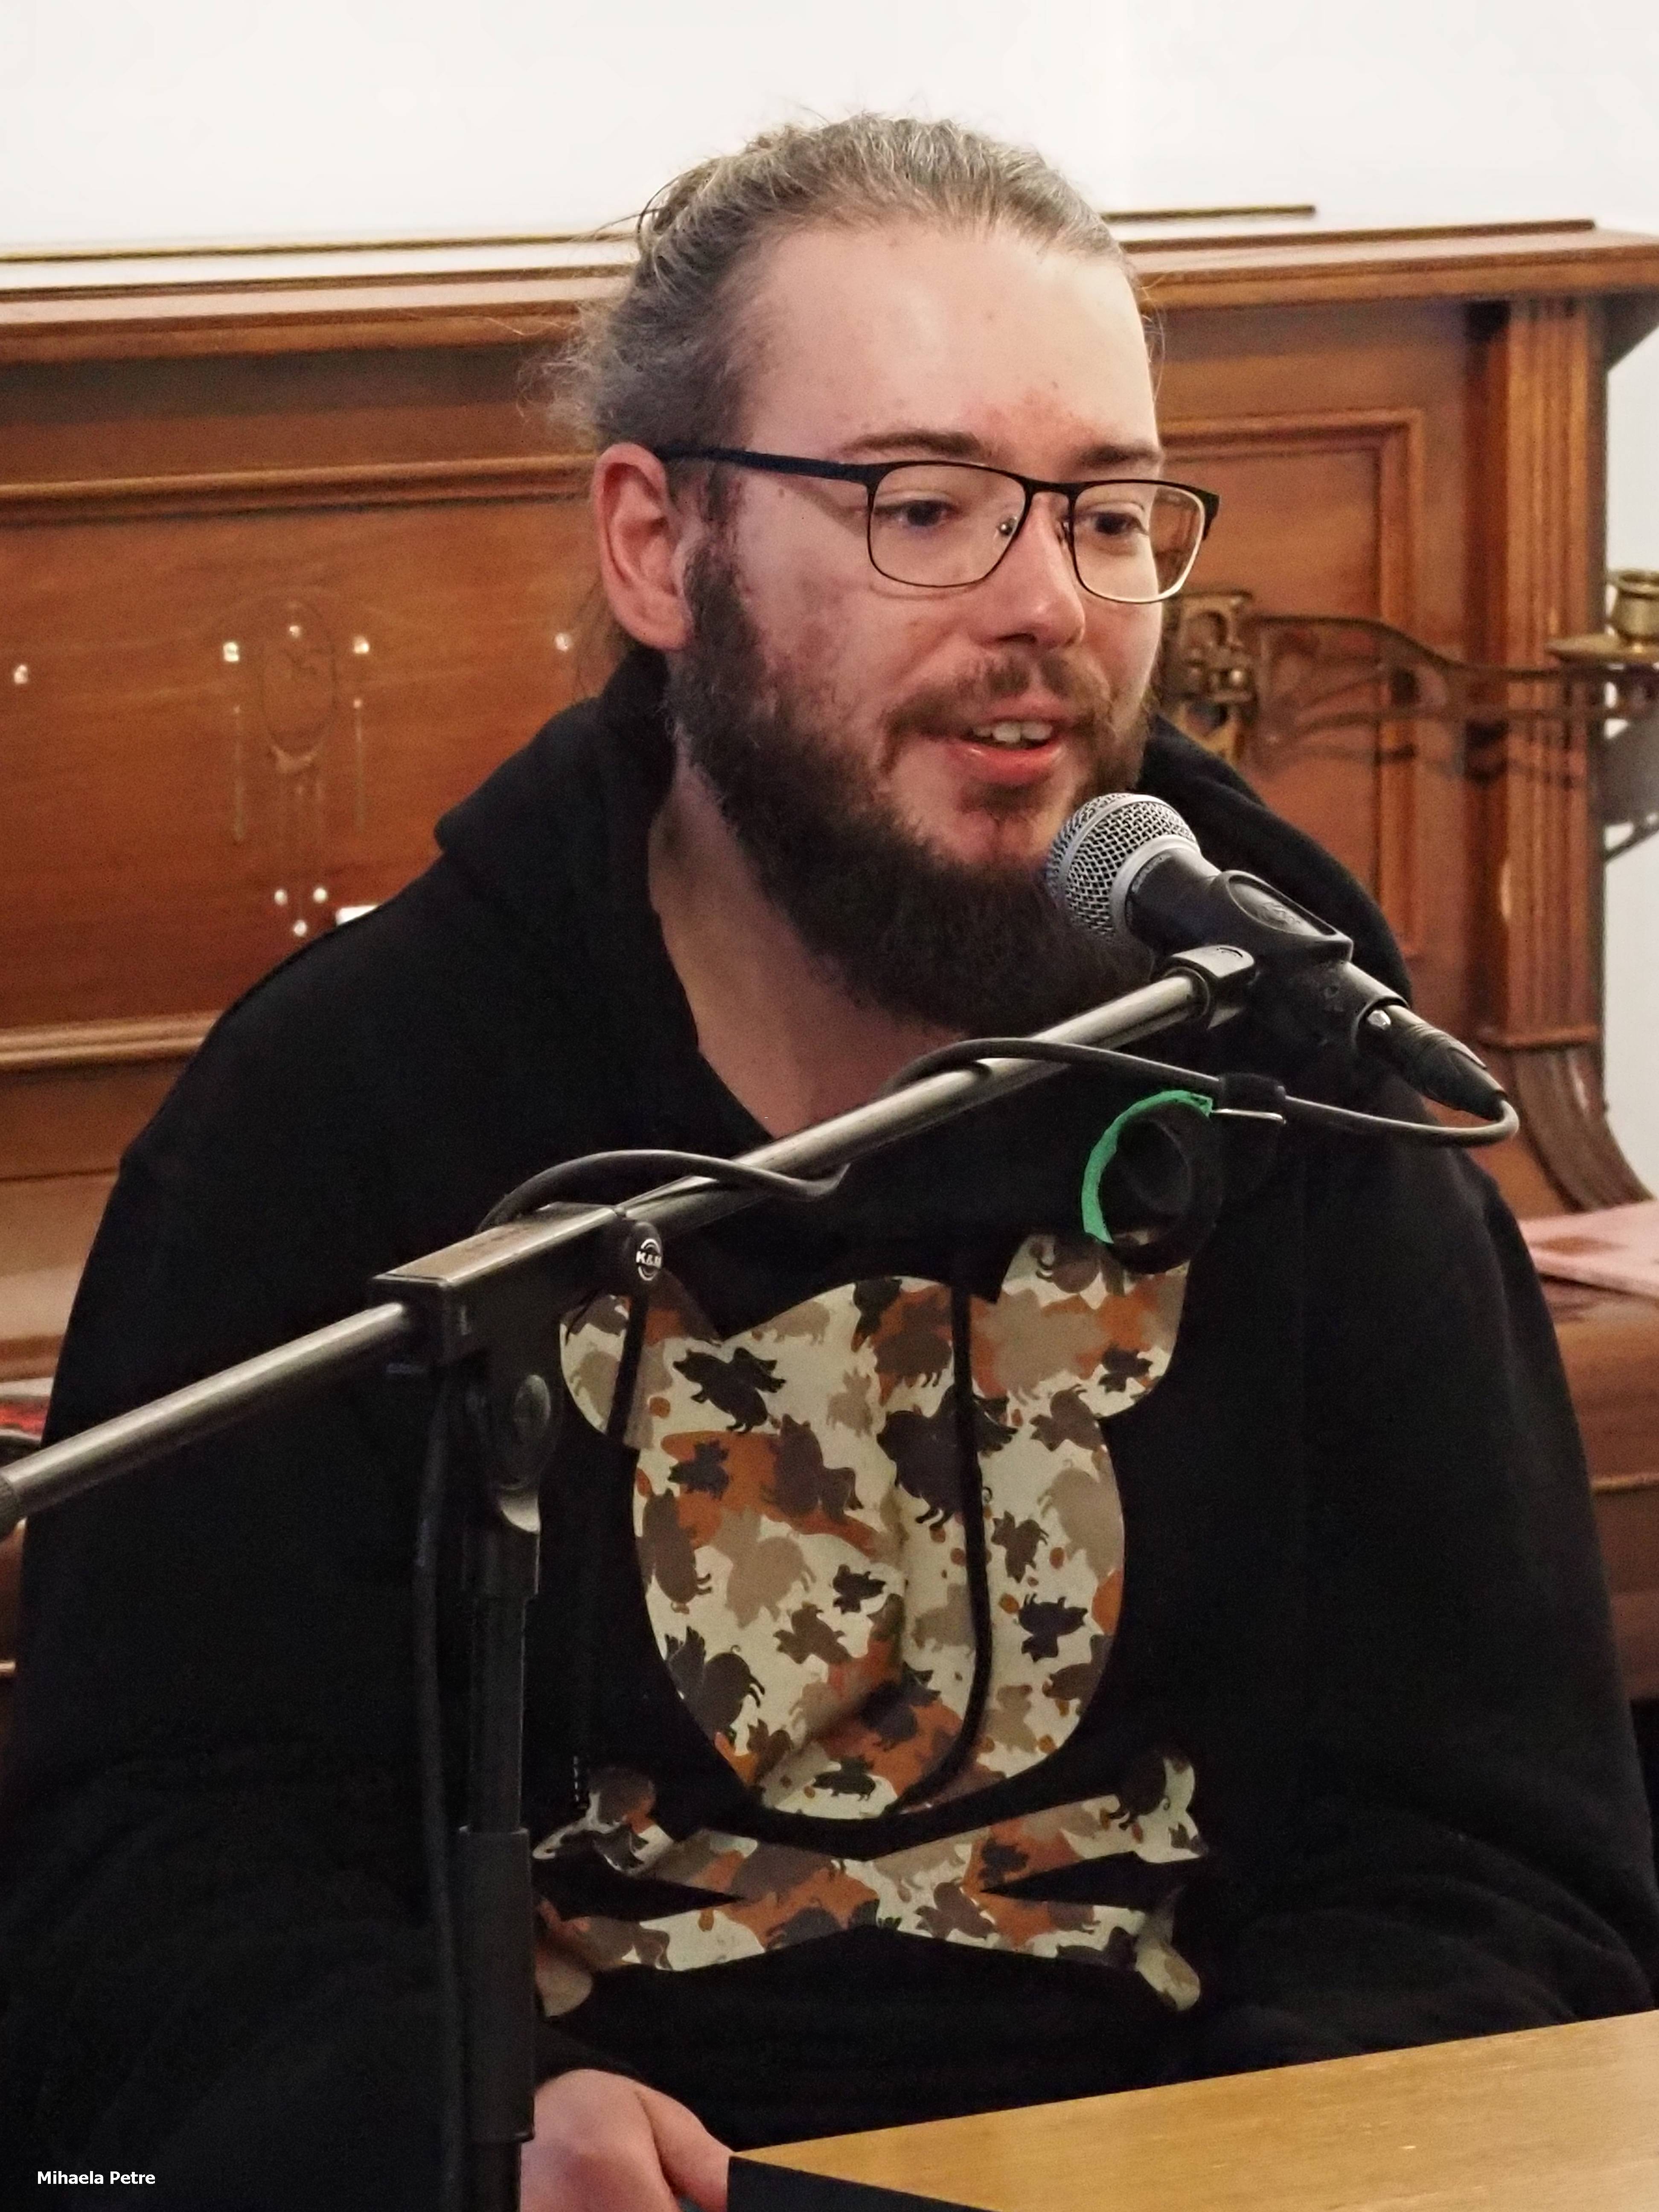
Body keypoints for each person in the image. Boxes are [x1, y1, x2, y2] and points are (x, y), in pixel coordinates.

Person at [2, 115, 1655, 2212]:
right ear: (656, 546)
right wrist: (449, 2124)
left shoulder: (1294, 1076)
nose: (1049, 605)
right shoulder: (347, 1111)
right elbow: (147, 1866)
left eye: (1111, 514)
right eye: (925, 505)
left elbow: (1500, 1855)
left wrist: (1240, 2164)